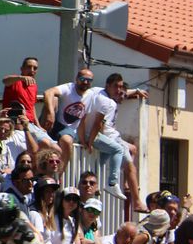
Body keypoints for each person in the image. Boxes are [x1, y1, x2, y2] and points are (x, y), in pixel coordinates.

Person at [80, 72, 145, 203]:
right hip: (93, 135)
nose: (119, 90)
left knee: (102, 159)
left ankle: (97, 182)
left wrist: (136, 91)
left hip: (92, 134)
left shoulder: (98, 91)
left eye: (120, 87)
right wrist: (90, 142)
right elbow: (98, 123)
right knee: (117, 149)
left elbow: (122, 93)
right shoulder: (108, 102)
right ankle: (112, 184)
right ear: (108, 85)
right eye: (116, 86)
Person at [41, 66, 96, 164]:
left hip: (68, 130)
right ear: (77, 79)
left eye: (89, 80)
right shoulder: (69, 88)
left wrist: (83, 141)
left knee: (66, 141)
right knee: (54, 99)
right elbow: (48, 92)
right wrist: (51, 113)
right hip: (54, 123)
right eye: (83, 79)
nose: (86, 82)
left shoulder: (90, 95)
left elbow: (82, 119)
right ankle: (40, 132)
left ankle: (61, 174)